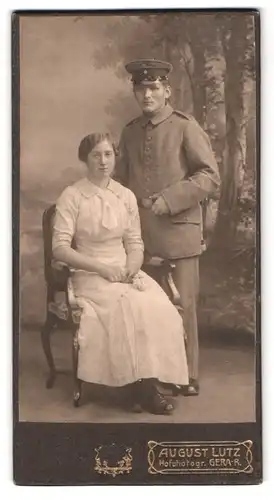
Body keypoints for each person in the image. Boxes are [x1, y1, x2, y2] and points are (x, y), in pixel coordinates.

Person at [52, 132, 189, 415]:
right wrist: (102, 268)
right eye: (95, 155)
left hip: (125, 270)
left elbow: (135, 244)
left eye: (108, 155)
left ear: (115, 157)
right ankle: (139, 390)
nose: (103, 162)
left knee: (156, 305)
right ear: (84, 159)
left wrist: (131, 268)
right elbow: (60, 249)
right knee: (126, 306)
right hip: (89, 273)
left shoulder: (125, 196)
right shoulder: (72, 196)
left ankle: (143, 383)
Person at [115, 59, 220, 396]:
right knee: (148, 308)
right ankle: (154, 371)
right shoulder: (130, 131)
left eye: (153, 88)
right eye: (140, 88)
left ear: (166, 91)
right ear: (134, 91)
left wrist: (170, 199)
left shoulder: (185, 126)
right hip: (141, 236)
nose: (147, 94)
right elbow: (119, 180)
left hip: (179, 232)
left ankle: (187, 375)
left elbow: (209, 176)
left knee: (181, 306)